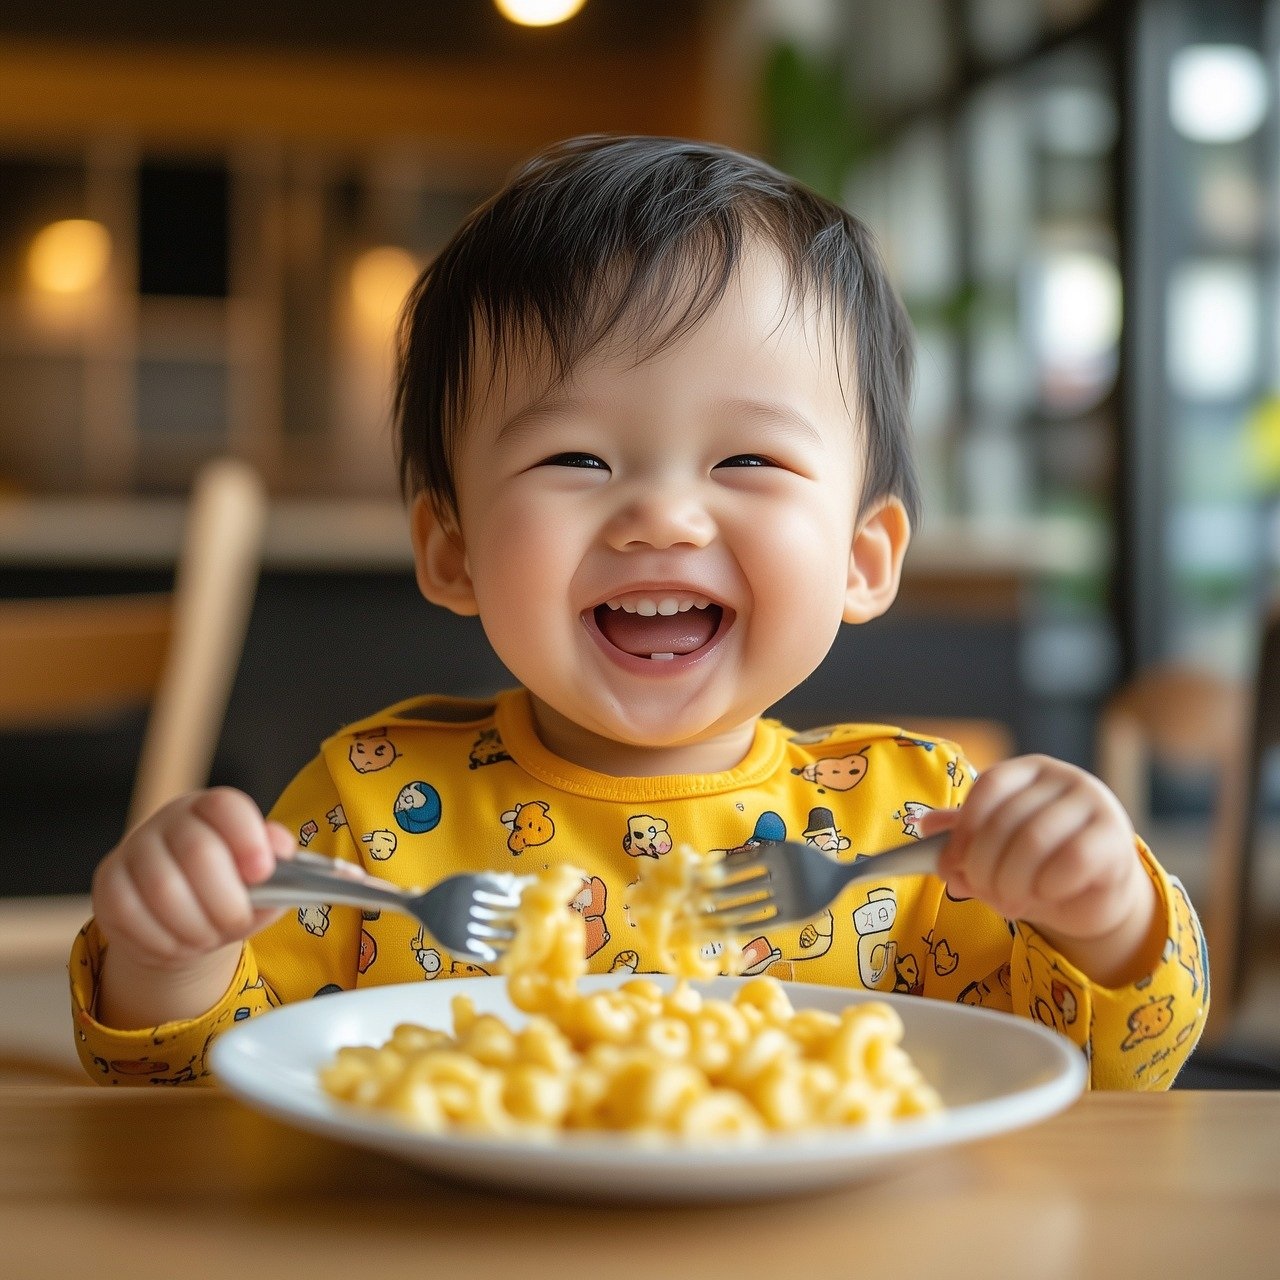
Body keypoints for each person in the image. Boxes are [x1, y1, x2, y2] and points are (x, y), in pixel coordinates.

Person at [71, 135, 1208, 1090]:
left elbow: (1116, 1071)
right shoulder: (369, 815)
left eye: (748, 457)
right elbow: (184, 1085)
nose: (661, 516)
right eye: (576, 454)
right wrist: (173, 947)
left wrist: (1100, 913)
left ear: (864, 557)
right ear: (451, 549)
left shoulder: (914, 829)